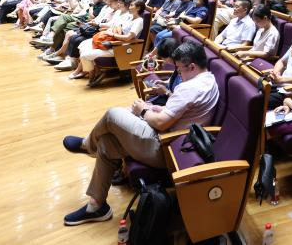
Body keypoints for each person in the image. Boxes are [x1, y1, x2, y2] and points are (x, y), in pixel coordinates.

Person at [60, 41, 218, 226]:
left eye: (180, 70)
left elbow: (160, 123)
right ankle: (96, 206)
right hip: (171, 137)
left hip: (166, 148)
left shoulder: (190, 88)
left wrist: (143, 111)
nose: (179, 75)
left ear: (192, 66)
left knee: (112, 115)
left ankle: (87, 145)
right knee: (106, 142)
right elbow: (179, 114)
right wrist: (156, 108)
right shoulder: (207, 79)